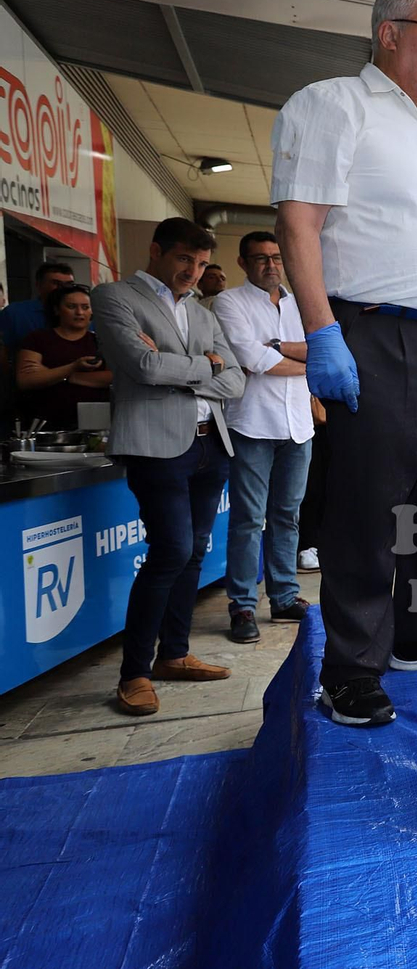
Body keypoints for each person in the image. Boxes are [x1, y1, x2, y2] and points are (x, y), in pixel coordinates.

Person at [273, 0, 417, 726]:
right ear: (390, 32)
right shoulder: (335, 105)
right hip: (375, 327)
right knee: (369, 506)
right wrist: (323, 328)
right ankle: (352, 668)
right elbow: (299, 224)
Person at [90, 218, 245, 716]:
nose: (193, 272)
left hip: (209, 445)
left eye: (201, 264)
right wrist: (209, 366)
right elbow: (142, 366)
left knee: (194, 554)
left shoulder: (201, 312)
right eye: (184, 260)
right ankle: (134, 672)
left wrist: (196, 371)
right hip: (156, 447)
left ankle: (173, 654)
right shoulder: (115, 296)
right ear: (157, 251)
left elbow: (238, 380)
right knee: (170, 551)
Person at [210, 231, 315, 644]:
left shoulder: (301, 301)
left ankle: (285, 596)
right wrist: (303, 360)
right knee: (249, 519)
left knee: (288, 515)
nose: (270, 265)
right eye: (260, 259)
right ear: (242, 263)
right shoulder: (229, 302)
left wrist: (280, 349)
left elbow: (321, 346)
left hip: (298, 425)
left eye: (276, 257)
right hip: (252, 423)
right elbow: (253, 359)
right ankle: (241, 605)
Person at [14, 283, 111, 428]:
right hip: (43, 423)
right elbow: (26, 380)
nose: (79, 312)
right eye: (72, 307)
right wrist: (73, 367)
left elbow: (114, 377)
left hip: (93, 422)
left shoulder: (101, 341)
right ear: (57, 310)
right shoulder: (38, 339)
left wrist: (58, 375)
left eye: (85, 307)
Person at [0, 261, 76, 377]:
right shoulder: (15, 313)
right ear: (39, 285)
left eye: (69, 284)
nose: (63, 289)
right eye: (56, 283)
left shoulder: (82, 314)